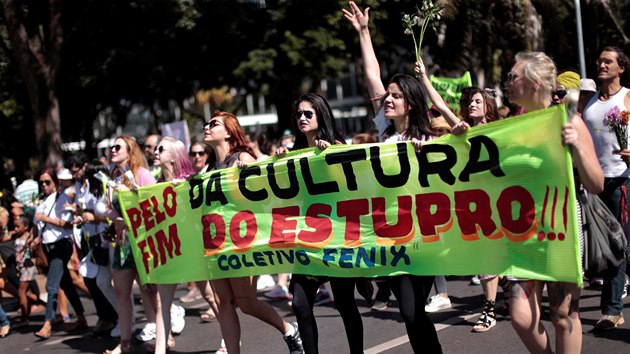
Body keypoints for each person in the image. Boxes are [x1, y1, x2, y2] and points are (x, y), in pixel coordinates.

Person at [344, 2, 441, 352]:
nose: (388, 99)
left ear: (411, 103)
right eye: (388, 95)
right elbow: (372, 77)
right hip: (394, 234)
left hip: (426, 234)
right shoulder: (385, 132)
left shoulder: (428, 139)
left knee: (414, 311)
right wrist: (364, 33)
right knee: (409, 312)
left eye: (396, 96)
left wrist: (426, 155)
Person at [506, 51, 604, 353]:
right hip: (521, 228)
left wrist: (576, 147)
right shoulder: (513, 122)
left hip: (561, 226)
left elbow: (596, 183)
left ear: (535, 82)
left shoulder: (569, 118)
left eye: (513, 77)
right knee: (521, 317)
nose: (507, 82)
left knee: (562, 316)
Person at [202, 111, 303, 354]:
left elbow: (261, 190)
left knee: (246, 303)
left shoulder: (242, 157)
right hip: (215, 240)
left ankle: (289, 330)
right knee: (222, 302)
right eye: (207, 123)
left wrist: (247, 170)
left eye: (213, 124)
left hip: (241, 238)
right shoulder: (209, 166)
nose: (206, 126)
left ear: (228, 131)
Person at [275, 93, 366, 354]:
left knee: (345, 303)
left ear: (320, 115)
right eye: (299, 114)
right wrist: (280, 160)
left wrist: (335, 157)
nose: (302, 118)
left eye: (308, 114)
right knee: (300, 304)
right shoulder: (293, 151)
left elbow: (353, 185)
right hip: (307, 237)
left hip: (336, 236)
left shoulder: (336, 145)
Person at [582, 46, 630, 330]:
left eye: (607, 61)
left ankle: (612, 310)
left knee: (616, 245)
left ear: (621, 68)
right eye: (599, 61)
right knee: (603, 244)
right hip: (594, 181)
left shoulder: (627, 97)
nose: (601, 65)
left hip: (622, 179)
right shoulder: (589, 103)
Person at [103, 136, 157, 354]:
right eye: (111, 148)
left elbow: (156, 201)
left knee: (150, 290)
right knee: (121, 291)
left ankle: (165, 333)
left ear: (130, 151)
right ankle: (125, 342)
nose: (112, 150)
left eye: (117, 147)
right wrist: (116, 218)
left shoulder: (142, 174)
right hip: (123, 243)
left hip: (143, 240)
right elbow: (108, 207)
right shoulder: (112, 177)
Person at [33, 167, 87, 339]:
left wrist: (46, 219)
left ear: (55, 182)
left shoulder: (61, 198)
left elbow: (68, 224)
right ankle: (81, 317)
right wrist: (34, 238)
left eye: (47, 182)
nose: (44, 185)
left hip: (60, 245)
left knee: (51, 284)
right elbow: (41, 226)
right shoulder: (43, 201)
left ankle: (47, 323)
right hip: (49, 246)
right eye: (41, 183)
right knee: (66, 284)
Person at [153, 136, 195, 354]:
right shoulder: (156, 186)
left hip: (192, 246)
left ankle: (229, 340)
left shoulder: (190, 180)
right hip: (168, 248)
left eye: (161, 149)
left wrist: (185, 190)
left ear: (173, 156)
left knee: (211, 296)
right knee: (162, 302)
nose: (155, 151)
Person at [69, 159, 119, 337]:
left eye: (91, 177)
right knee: (97, 281)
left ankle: (121, 319)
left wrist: (93, 218)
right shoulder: (91, 189)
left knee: (117, 283)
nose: (89, 181)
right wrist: (83, 216)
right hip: (96, 240)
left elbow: (115, 216)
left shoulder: (108, 189)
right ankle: (115, 317)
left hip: (111, 239)